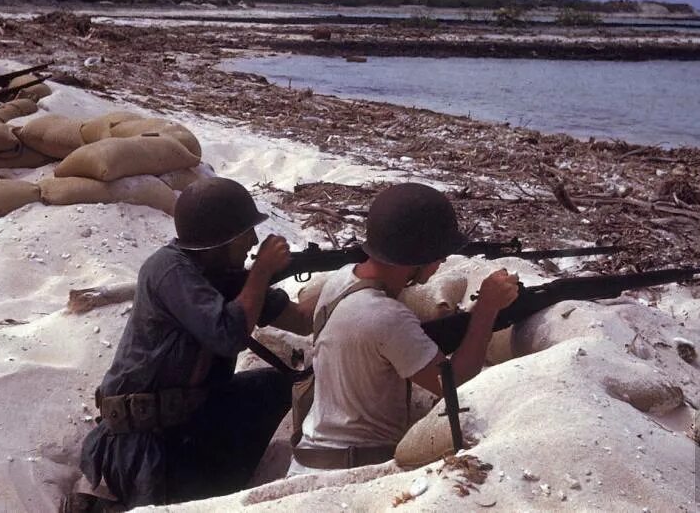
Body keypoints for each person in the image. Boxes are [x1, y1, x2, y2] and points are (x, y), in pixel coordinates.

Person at [76, 178, 313, 510]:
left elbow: (301, 320)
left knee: (279, 386)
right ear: (220, 240)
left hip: (190, 414)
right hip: (144, 441)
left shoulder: (223, 274)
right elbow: (227, 335)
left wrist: (355, 283)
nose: (253, 241)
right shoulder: (169, 270)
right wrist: (261, 272)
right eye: (245, 233)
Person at [288, 183, 520, 472]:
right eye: (438, 254)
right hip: (351, 466)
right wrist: (486, 309)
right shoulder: (386, 316)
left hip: (310, 456)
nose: (442, 262)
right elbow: (454, 382)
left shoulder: (342, 279)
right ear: (416, 256)